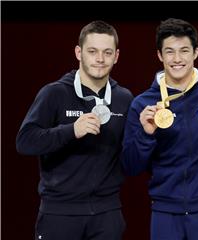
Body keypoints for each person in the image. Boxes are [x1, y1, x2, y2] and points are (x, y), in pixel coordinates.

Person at [121, 18, 198, 240]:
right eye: (169, 52)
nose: (177, 59)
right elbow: (130, 166)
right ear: (159, 55)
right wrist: (145, 134)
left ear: (196, 53)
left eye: (184, 51)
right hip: (165, 212)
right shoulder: (143, 104)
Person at [16, 20, 133, 240]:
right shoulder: (54, 93)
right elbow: (25, 141)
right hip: (60, 213)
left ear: (116, 56)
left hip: (107, 214)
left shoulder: (124, 98)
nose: (100, 59)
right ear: (79, 52)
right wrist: (71, 131)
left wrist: (148, 134)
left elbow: (131, 154)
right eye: (92, 51)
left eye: (107, 52)